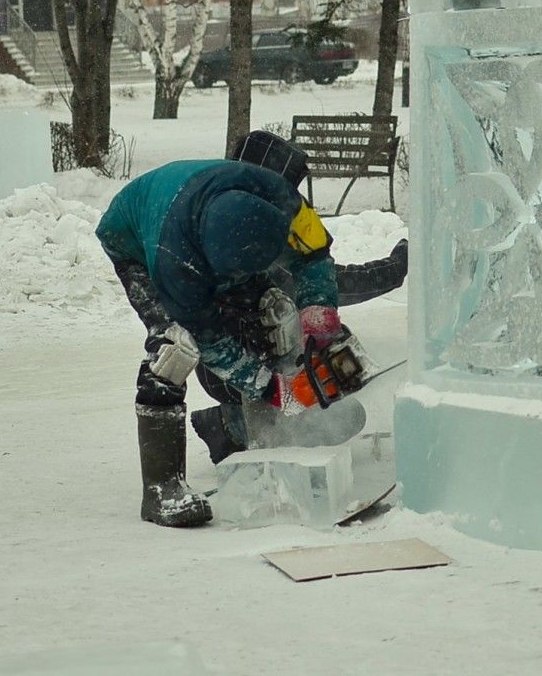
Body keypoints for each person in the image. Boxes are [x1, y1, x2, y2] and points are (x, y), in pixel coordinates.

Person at [97, 156, 361, 528]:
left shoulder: (282, 200)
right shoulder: (176, 261)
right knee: (175, 348)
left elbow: (314, 252)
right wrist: (270, 387)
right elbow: (211, 340)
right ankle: (162, 489)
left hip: (202, 213)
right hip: (136, 237)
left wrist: (319, 309)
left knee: (270, 312)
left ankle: (246, 428)